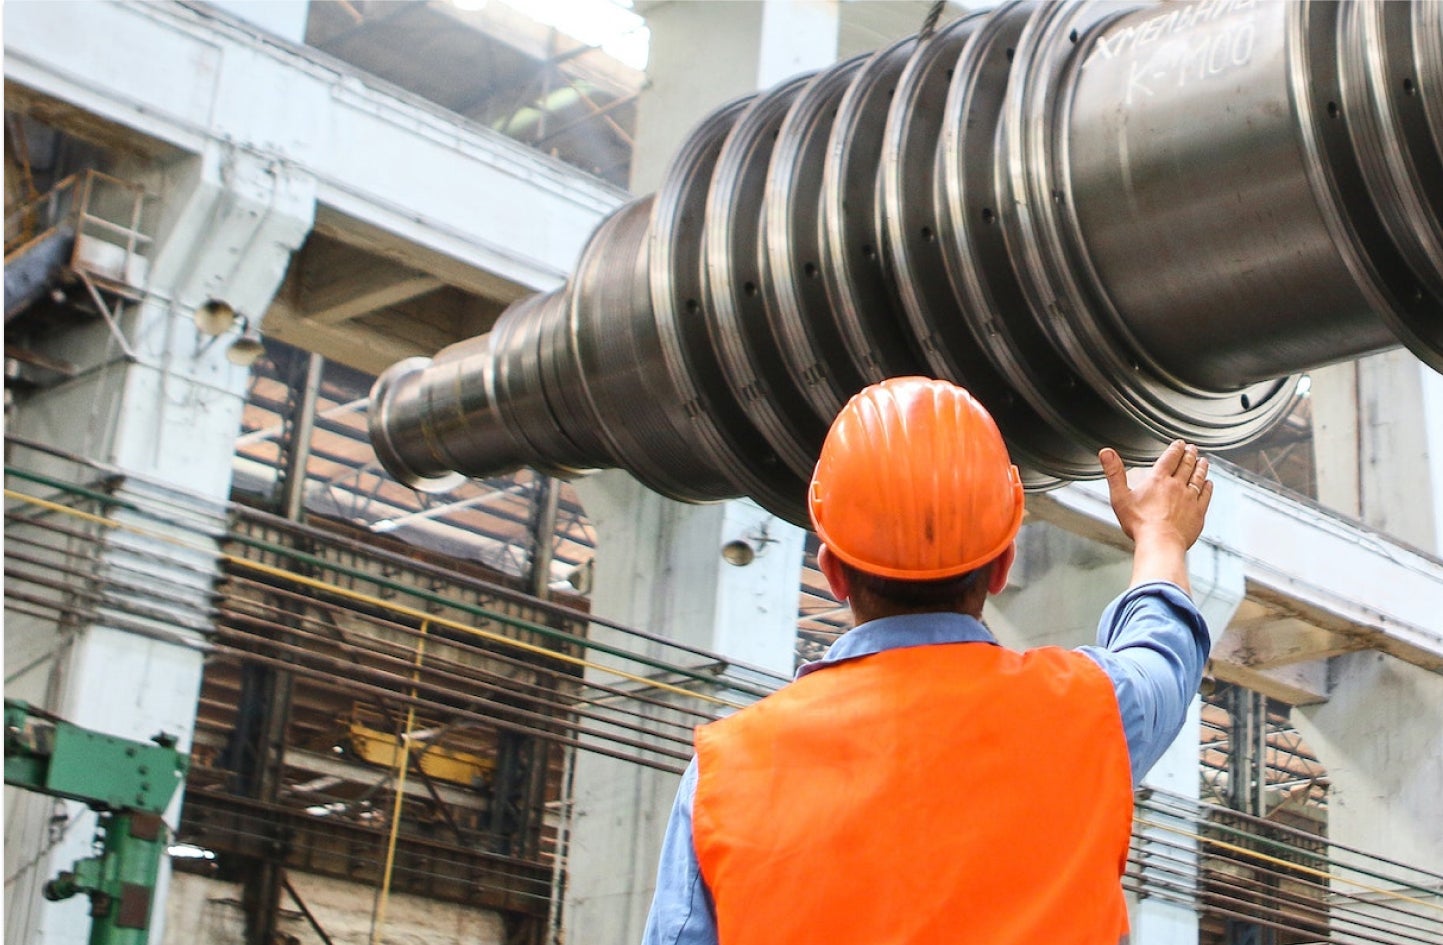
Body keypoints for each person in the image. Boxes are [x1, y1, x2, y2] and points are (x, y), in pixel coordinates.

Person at [641, 376, 1215, 945]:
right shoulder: (1091, 712)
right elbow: (1162, 652)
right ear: (1002, 565)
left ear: (833, 572)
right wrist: (1159, 535)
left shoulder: (726, 773)